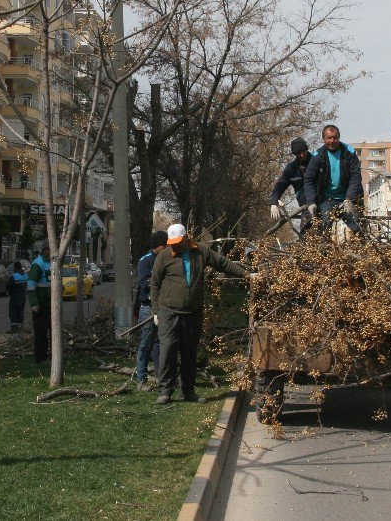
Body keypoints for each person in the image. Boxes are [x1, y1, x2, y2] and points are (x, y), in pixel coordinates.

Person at [150, 224, 248, 404]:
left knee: (189, 353)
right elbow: (155, 283)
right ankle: (165, 391)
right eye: (172, 243)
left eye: (178, 242)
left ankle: (188, 391)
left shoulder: (201, 251)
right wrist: (156, 311)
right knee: (167, 351)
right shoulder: (164, 256)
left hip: (192, 312)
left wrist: (246, 274)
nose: (175, 246)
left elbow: (223, 264)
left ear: (187, 238)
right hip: (168, 312)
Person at [303, 124, 363, 234]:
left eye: (335, 137)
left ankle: (363, 247)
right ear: (323, 139)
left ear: (339, 138)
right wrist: (311, 202)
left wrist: (349, 198)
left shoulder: (349, 153)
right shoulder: (318, 156)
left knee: (357, 226)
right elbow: (309, 180)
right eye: (329, 138)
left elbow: (356, 177)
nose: (332, 141)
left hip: (347, 198)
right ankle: (325, 249)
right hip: (328, 198)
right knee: (325, 225)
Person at [133, 230, 168, 391]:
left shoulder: (165, 258)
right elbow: (145, 283)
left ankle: (163, 378)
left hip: (164, 307)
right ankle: (141, 380)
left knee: (161, 344)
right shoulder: (145, 261)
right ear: (158, 246)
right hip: (148, 308)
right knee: (146, 344)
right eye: (165, 245)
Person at [270, 137, 314, 234]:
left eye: (304, 151)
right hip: (305, 207)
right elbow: (279, 186)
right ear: (294, 154)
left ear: (307, 149)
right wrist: (273, 203)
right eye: (298, 153)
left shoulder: (317, 162)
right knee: (305, 236)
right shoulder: (291, 169)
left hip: (321, 203)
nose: (302, 155)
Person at [27, 246, 53, 363]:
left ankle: (54, 355)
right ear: (45, 250)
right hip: (41, 304)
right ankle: (41, 357)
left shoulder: (52, 262)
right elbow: (31, 284)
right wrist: (34, 303)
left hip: (52, 303)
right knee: (41, 332)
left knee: (53, 331)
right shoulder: (38, 263)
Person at [6, 261, 29, 333]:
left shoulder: (13, 276)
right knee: (20, 311)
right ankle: (20, 327)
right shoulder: (25, 275)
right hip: (23, 296)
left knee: (13, 311)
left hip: (15, 296)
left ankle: (14, 328)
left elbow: (8, 286)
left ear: (15, 267)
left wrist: (8, 291)